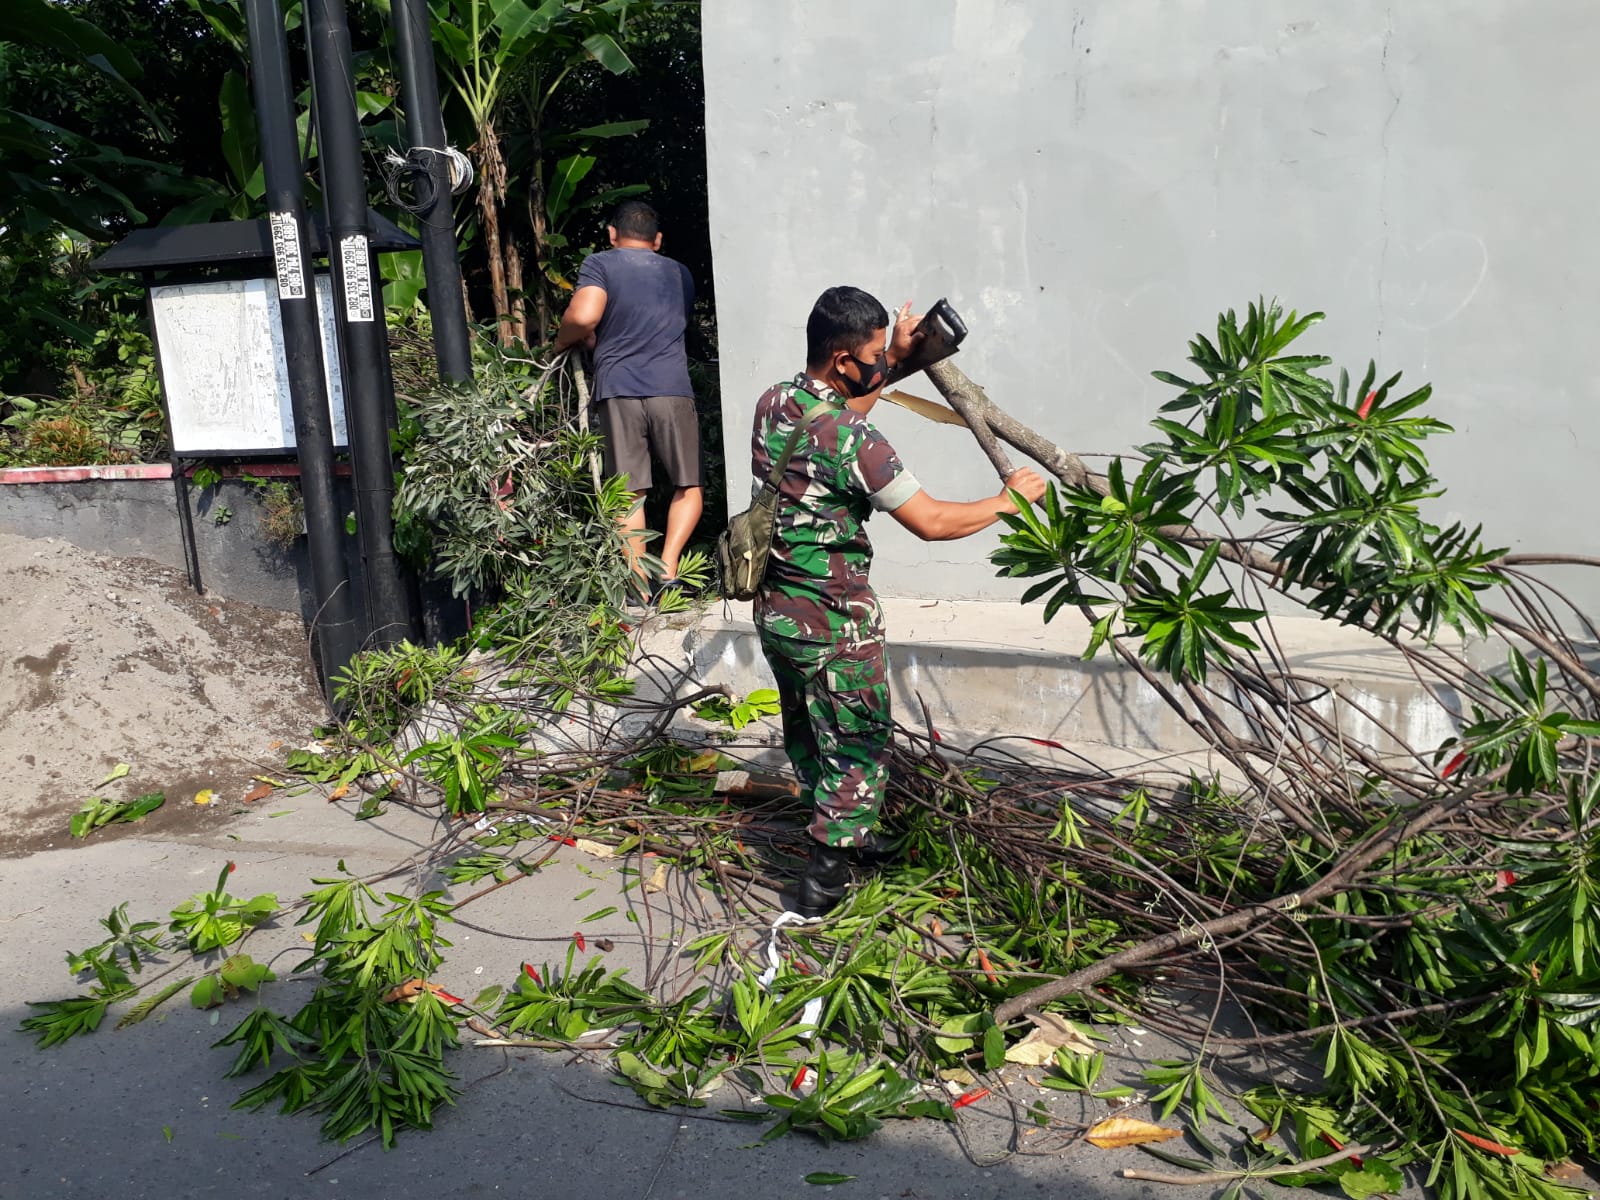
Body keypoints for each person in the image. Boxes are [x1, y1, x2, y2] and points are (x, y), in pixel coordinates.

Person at [752, 285, 1048, 917]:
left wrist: (904, 354)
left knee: (809, 727)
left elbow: (850, 399)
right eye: (875, 354)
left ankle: (847, 831)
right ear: (840, 358)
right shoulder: (857, 440)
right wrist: (1010, 498)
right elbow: (934, 521)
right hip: (834, 621)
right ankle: (823, 879)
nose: (882, 362)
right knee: (859, 741)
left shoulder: (777, 402)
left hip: (776, 610)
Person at [552, 200, 701, 598]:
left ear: (612, 234)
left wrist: (562, 340)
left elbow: (584, 316)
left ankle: (638, 585)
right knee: (688, 484)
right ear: (657, 240)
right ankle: (667, 570)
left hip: (619, 388)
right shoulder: (680, 274)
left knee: (629, 491)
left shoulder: (601, 263)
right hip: (671, 387)